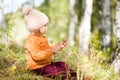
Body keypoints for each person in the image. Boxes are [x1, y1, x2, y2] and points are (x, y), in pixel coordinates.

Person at [23, 5, 76, 80]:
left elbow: (47, 50)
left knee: (62, 64)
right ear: (36, 27)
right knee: (58, 72)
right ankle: (70, 78)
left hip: (46, 65)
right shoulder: (31, 40)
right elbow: (37, 56)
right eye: (44, 25)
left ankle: (77, 76)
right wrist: (51, 50)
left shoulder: (43, 37)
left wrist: (58, 46)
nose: (46, 27)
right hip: (37, 68)